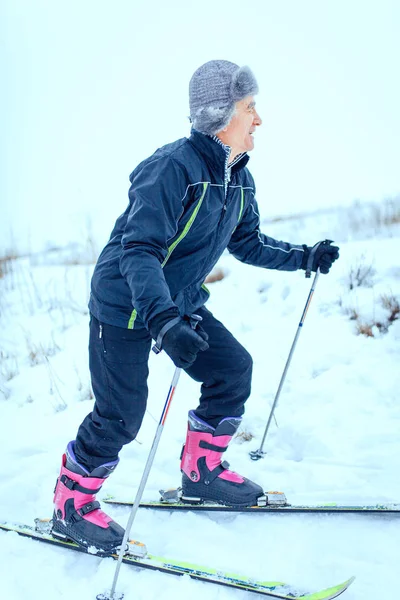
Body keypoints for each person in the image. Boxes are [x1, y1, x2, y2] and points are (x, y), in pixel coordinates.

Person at [52, 60, 339, 553]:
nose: (259, 119)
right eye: (251, 107)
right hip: (124, 306)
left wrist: (303, 257)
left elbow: (246, 243)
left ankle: (200, 471)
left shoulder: (238, 179)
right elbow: (138, 250)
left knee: (232, 369)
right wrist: (162, 322)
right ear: (222, 113)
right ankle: (70, 505)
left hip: (178, 301)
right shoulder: (173, 168)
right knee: (121, 415)